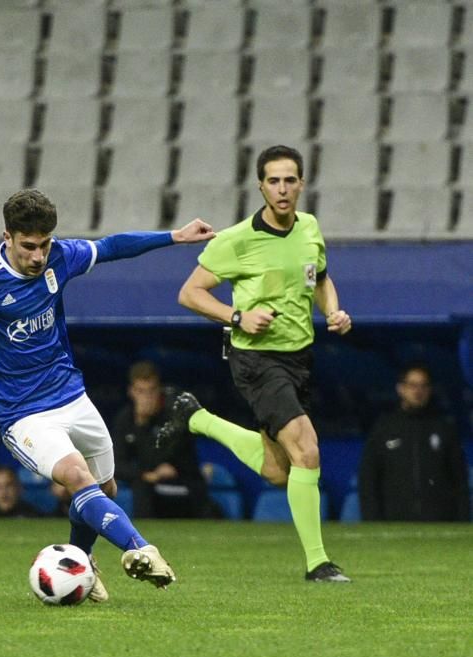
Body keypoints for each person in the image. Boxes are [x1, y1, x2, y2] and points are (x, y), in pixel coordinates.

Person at [0, 188, 216, 597]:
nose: (38, 256)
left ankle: (83, 563)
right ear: (7, 236)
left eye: (44, 244)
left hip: (71, 396)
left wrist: (173, 236)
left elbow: (112, 246)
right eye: (28, 246)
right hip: (23, 414)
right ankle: (140, 548)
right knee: (78, 478)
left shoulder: (60, 257)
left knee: (106, 489)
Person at [158, 144, 353, 583]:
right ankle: (318, 563)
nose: (282, 189)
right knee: (307, 447)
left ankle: (197, 418)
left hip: (299, 356)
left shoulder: (309, 228)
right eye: (273, 181)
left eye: (290, 180)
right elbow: (190, 293)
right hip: (256, 358)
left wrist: (333, 311)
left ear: (301, 184)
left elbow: (319, 278)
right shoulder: (237, 240)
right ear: (260, 186)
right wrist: (237, 316)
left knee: (277, 470)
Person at [358, 363, 469, 521]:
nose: (418, 391)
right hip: (393, 521)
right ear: (401, 389)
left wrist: (462, 519)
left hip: (439, 522)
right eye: (412, 385)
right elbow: (368, 479)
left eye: (423, 386)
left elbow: (459, 480)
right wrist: (371, 519)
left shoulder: (444, 429)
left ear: (430, 390)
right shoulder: (384, 429)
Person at [111, 361, 211, 518]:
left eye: (151, 391)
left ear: (159, 390)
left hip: (184, 483)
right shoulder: (125, 418)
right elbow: (115, 463)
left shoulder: (175, 414)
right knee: (141, 486)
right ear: (131, 392)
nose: (146, 398)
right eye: (140, 391)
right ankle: (141, 539)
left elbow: (160, 458)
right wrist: (144, 475)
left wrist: (142, 425)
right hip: (149, 485)